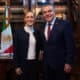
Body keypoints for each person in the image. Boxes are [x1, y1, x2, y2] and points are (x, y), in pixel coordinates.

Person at [40, 3, 75, 80]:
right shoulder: (42, 27)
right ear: (43, 14)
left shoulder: (64, 24)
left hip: (61, 66)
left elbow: (70, 45)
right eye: (45, 12)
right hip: (47, 66)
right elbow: (44, 44)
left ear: (54, 11)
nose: (47, 14)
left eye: (49, 11)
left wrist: (68, 62)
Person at [13, 11, 42, 80]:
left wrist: (41, 51)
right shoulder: (18, 32)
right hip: (23, 64)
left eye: (32, 17)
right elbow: (16, 50)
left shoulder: (37, 32)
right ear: (24, 19)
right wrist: (17, 66)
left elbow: (40, 46)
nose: (30, 19)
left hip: (35, 64)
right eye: (27, 17)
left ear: (34, 19)